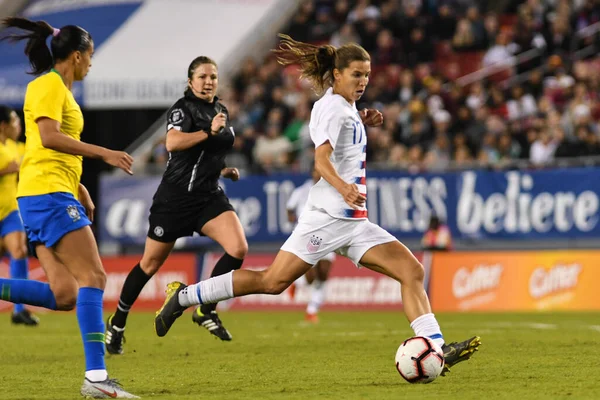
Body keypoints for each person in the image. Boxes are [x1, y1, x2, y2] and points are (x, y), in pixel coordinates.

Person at [154, 34, 481, 374]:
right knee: (272, 282)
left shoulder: (344, 107)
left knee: (412, 271)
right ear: (337, 74)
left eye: (367, 75)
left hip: (354, 223)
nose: (363, 81)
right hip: (326, 219)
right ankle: (184, 297)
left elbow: (342, 130)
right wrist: (344, 187)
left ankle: (436, 351)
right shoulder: (333, 110)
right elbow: (320, 160)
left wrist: (363, 116)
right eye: (357, 74)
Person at [0, 17, 138, 398]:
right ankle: (96, 379)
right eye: (90, 56)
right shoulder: (48, 85)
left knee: (65, 294)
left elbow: (48, 148)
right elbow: (48, 137)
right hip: (47, 195)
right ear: (76, 56)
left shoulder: (59, 90)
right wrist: (104, 153)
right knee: (93, 278)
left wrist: (79, 187)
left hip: (48, 192)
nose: (91, 63)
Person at [105, 56, 246, 355]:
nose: (209, 81)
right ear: (190, 81)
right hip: (175, 199)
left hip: (208, 196)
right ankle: (117, 322)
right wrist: (209, 131)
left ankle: (205, 309)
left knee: (238, 249)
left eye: (213, 77)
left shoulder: (220, 109)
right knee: (150, 264)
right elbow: (172, 143)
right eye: (203, 76)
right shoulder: (183, 109)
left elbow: (205, 155)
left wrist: (222, 170)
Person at [0, 105, 39, 325]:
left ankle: (19, 309)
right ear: (3, 126)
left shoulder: (15, 147)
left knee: (19, 250)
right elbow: (12, 167)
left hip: (10, 211)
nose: (19, 126)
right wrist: (7, 169)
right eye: (15, 122)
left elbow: (35, 152)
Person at [287, 167, 335, 323]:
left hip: (327, 234)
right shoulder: (302, 191)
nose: (319, 174)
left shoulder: (331, 189)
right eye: (316, 171)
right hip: (308, 235)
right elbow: (290, 208)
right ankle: (298, 282)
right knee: (310, 277)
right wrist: (296, 224)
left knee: (324, 273)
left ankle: (312, 310)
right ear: (312, 173)